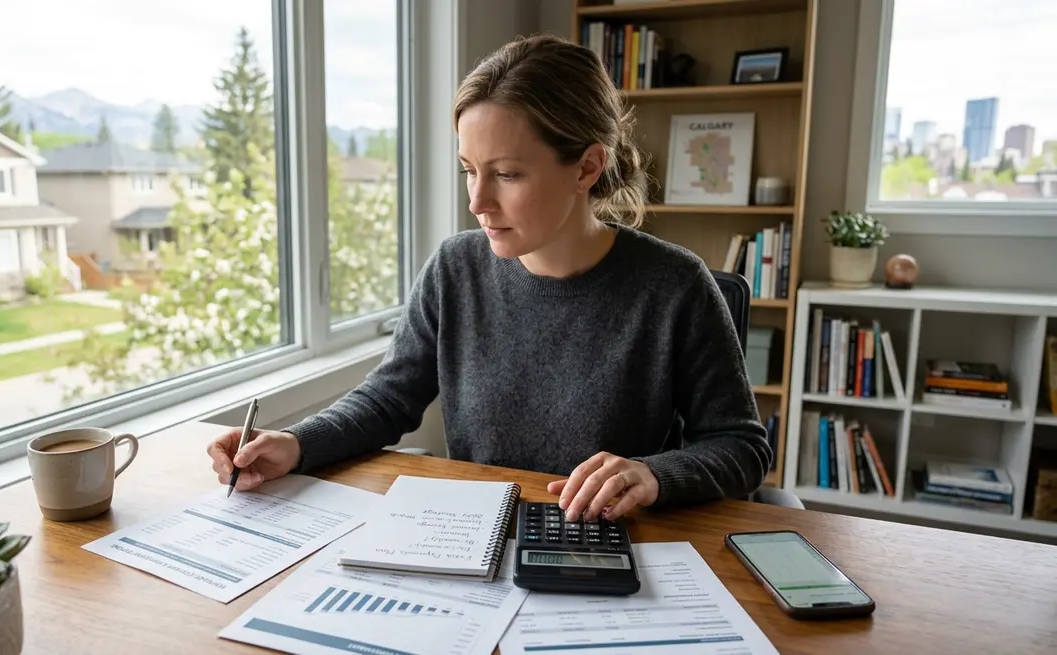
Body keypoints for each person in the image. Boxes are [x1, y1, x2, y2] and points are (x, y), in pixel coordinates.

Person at [208, 34, 771, 523]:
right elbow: (387, 399)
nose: (478, 201)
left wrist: (653, 475)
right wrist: (296, 442)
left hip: (606, 548)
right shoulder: (455, 270)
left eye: (506, 174)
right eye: (469, 171)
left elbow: (740, 447)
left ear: (586, 167)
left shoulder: (676, 287)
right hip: (472, 536)